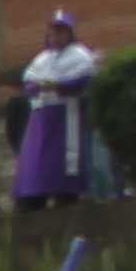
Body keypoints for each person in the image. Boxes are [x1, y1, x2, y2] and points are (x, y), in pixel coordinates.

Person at [12, 11, 97, 204]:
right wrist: (36, 87)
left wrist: (58, 86)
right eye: (53, 32)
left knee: (62, 161)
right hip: (41, 117)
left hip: (66, 116)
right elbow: (28, 84)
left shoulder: (80, 55)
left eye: (61, 31)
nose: (56, 36)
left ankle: (65, 195)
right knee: (37, 160)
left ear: (69, 33)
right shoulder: (43, 58)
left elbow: (82, 81)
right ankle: (34, 195)